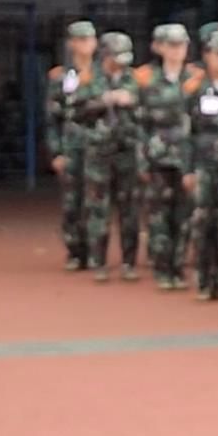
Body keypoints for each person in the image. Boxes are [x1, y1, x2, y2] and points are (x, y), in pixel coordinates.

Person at [134, 23, 196, 290]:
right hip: (158, 156)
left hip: (187, 156)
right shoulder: (147, 80)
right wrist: (141, 160)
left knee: (185, 215)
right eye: (171, 45)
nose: (177, 50)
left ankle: (179, 266)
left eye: (181, 45)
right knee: (159, 215)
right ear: (160, 48)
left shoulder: (195, 80)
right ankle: (162, 269)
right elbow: (139, 124)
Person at [184, 32, 218, 300]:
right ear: (207, 55)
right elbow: (187, 132)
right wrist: (188, 168)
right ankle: (206, 280)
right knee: (204, 220)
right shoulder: (194, 88)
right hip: (204, 162)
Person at [83, 31, 142, 281]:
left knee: (130, 210)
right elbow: (75, 109)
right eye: (117, 56)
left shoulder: (135, 79)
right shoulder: (89, 77)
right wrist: (105, 100)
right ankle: (99, 263)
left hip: (127, 150)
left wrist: (131, 101)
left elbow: (149, 107)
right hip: (99, 152)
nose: (122, 62)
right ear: (105, 55)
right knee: (99, 209)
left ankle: (129, 262)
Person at [47, 20, 100, 271]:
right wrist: (56, 151)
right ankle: (74, 250)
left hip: (98, 144)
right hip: (71, 143)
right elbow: (51, 119)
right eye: (79, 40)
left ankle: (93, 250)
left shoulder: (102, 74)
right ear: (71, 44)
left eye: (88, 39)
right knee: (72, 200)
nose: (84, 44)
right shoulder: (61, 76)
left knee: (95, 199)